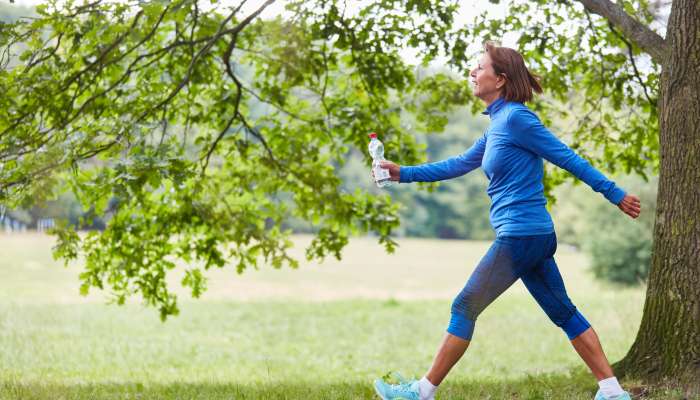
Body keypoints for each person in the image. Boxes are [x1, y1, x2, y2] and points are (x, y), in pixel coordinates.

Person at [372, 42, 642, 400]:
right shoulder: (498, 124)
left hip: (521, 235)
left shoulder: (517, 118)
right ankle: (612, 391)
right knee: (563, 312)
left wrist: (614, 194)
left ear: (500, 80)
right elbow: (457, 164)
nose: (472, 72)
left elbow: (567, 158)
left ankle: (422, 392)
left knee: (464, 306)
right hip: (532, 236)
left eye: (479, 67)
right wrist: (402, 173)